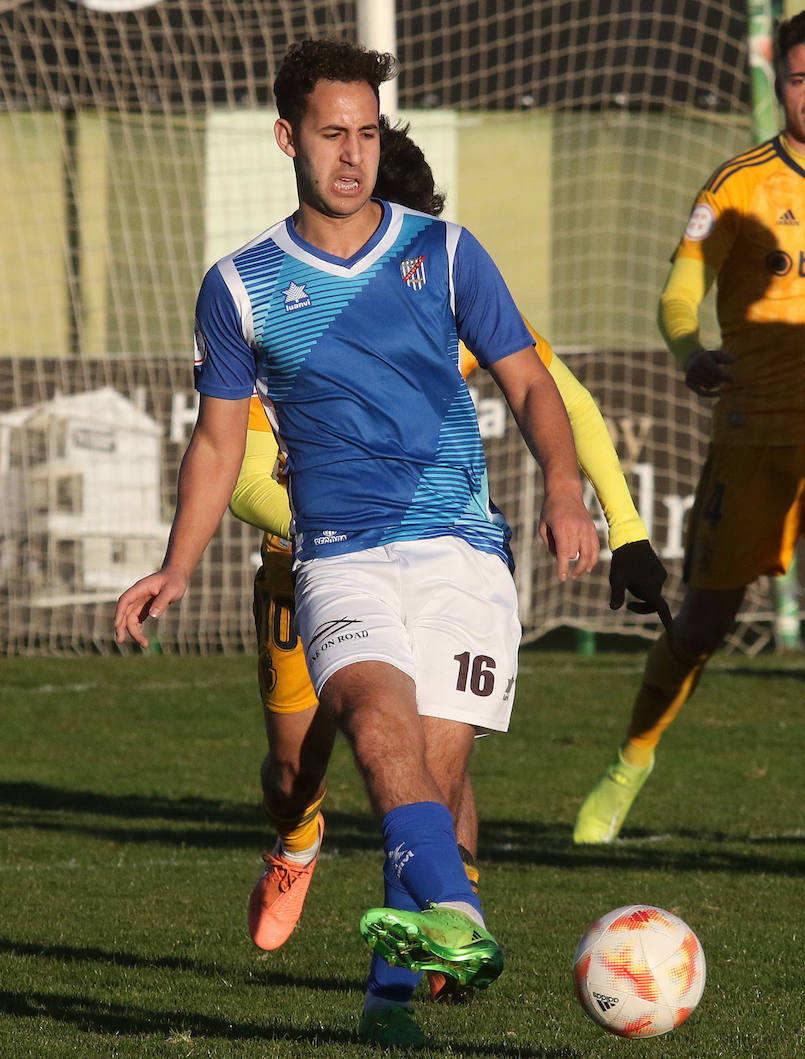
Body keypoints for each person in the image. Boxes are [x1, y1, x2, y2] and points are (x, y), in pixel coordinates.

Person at [115, 40, 601, 1048]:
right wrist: (176, 563)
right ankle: (455, 922)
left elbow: (530, 381)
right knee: (381, 741)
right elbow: (216, 446)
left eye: (368, 134)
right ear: (288, 137)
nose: (352, 155)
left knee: (434, 772)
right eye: (332, 134)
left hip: (464, 550)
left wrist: (565, 487)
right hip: (338, 553)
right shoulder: (241, 284)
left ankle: (391, 1005)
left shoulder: (446, 252)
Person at [236, 117, 671, 994]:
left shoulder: (438, 280)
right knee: (295, 771)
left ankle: (435, 932)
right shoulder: (281, 301)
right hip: (317, 564)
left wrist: (623, 526)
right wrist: (355, 506)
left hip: (434, 557)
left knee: (437, 756)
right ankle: (297, 839)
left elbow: (567, 403)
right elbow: (242, 473)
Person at [573, 10, 805, 848]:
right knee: (703, 623)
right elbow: (677, 293)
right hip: (751, 436)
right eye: (800, 78)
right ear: (778, 83)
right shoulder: (736, 186)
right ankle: (630, 763)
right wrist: (689, 348)